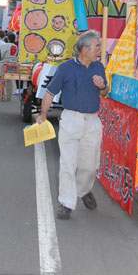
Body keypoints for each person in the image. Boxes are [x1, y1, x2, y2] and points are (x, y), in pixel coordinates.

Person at [37, 29, 108, 220]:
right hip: (70, 119)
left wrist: (102, 86)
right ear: (84, 49)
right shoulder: (65, 68)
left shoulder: (98, 67)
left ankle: (84, 190)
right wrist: (43, 114)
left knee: (90, 165)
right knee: (68, 163)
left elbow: (104, 93)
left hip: (92, 120)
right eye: (97, 46)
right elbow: (50, 92)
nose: (99, 49)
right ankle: (66, 203)